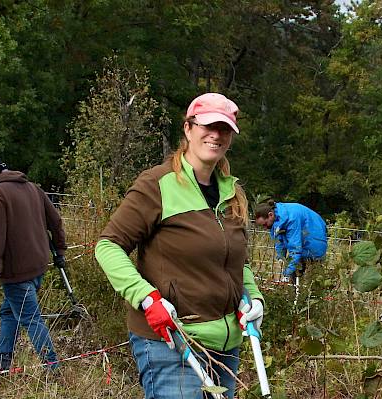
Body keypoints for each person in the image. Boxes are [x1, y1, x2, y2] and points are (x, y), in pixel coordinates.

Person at [95, 93, 265, 399]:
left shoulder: (233, 192)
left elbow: (240, 263)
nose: (216, 135)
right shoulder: (157, 184)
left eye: (224, 129)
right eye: (208, 126)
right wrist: (147, 298)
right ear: (188, 129)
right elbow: (108, 246)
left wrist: (253, 297)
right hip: (170, 341)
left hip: (226, 344)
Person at [0, 156, 64, 372]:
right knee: (9, 312)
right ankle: (2, 362)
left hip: (16, 271)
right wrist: (59, 250)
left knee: (30, 319)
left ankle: (52, 368)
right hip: (38, 265)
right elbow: (55, 220)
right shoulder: (33, 188)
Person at [253, 200, 327, 280]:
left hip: (314, 239)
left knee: (313, 277)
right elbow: (279, 241)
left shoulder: (292, 218)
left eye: (265, 224)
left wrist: (286, 274)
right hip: (303, 240)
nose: (265, 228)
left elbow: (295, 249)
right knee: (294, 275)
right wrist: (281, 260)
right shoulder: (277, 219)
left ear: (270, 215)